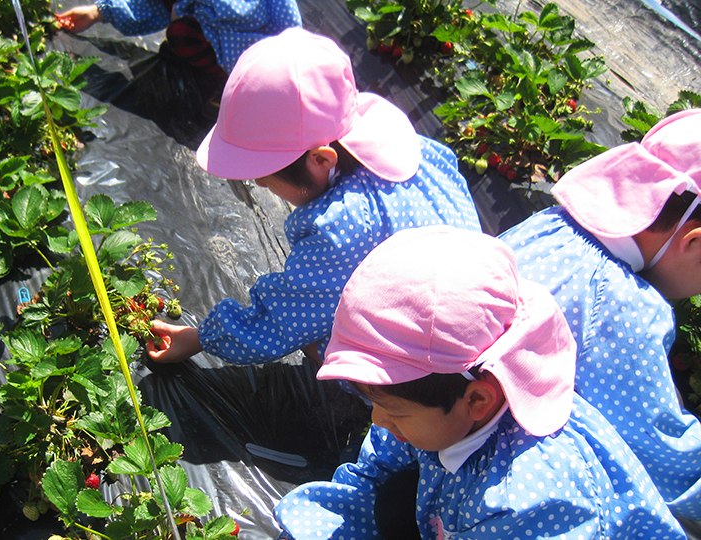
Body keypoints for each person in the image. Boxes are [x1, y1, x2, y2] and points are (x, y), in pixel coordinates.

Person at [274, 226, 687, 540]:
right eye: (375, 405)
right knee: (392, 497)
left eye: (394, 412)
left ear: (478, 399)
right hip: (456, 507)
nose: (380, 421)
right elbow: (371, 475)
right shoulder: (430, 398)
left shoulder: (534, 497)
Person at [145, 28, 482, 366]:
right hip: (473, 306)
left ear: (321, 160)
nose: (259, 183)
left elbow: (281, 321)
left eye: (265, 173)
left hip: (435, 364)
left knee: (319, 340)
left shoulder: (341, 229)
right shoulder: (419, 150)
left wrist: (201, 338)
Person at [499, 108, 701, 521]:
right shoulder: (627, 308)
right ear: (695, 243)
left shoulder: (548, 226)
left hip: (443, 427)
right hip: (510, 489)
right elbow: (655, 450)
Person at [56, 0, 302, 84]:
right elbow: (150, 6)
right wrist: (98, 12)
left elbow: (288, 31)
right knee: (180, 30)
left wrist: (184, 12)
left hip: (261, 59)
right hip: (223, 42)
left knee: (181, 32)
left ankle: (231, 86)